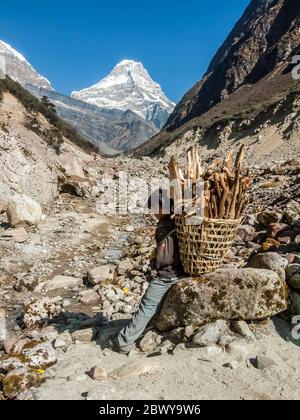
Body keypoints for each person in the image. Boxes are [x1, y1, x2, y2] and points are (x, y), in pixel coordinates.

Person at [109, 190, 184, 354]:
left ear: (161, 206)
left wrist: (155, 264)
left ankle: (123, 342)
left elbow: (165, 258)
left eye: (154, 209)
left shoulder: (166, 226)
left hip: (169, 275)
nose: (153, 214)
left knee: (147, 305)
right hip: (181, 271)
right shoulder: (179, 221)